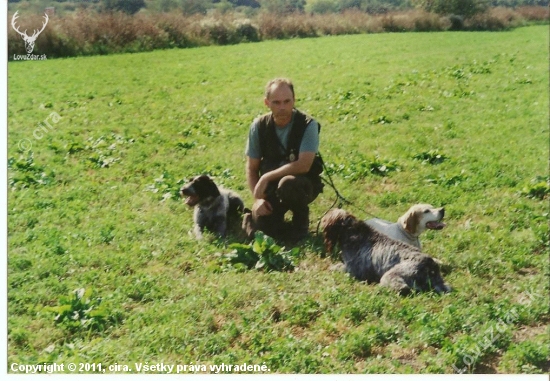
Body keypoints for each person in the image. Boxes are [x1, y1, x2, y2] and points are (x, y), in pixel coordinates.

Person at [243, 78, 323, 241]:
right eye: (276, 102)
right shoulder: (258, 127)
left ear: (294, 100)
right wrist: (258, 200)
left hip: (301, 184)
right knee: (264, 227)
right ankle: (252, 218)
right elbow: (252, 168)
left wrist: (266, 177)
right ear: (267, 103)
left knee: (288, 184)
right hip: (272, 188)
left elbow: (304, 165)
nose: (282, 107)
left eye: (287, 101)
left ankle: (300, 223)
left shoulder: (308, 125)